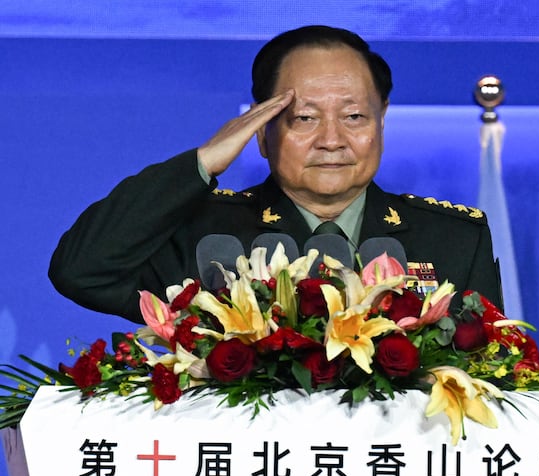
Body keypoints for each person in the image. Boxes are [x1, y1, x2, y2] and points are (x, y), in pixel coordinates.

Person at [49, 25, 502, 323]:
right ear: (262, 133)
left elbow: (489, 372)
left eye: (355, 117)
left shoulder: (455, 239)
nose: (332, 139)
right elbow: (82, 271)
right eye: (305, 118)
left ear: (381, 122)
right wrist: (203, 163)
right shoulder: (204, 231)